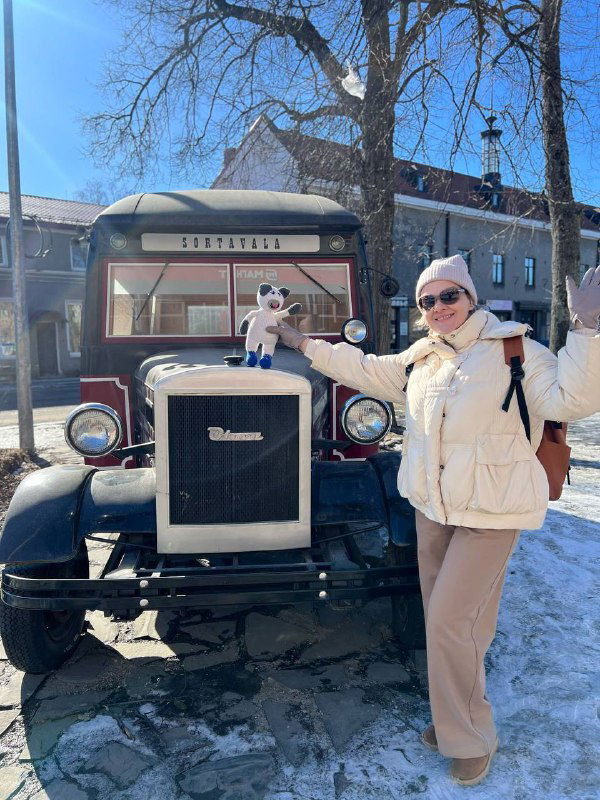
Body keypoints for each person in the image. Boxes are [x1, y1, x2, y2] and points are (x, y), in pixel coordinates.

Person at [267, 254, 600, 787]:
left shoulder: (517, 350)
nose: (440, 307)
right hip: (433, 509)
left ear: (471, 298)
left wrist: (587, 330)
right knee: (453, 624)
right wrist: (302, 345)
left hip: (491, 512)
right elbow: (365, 369)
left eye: (450, 296)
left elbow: (574, 398)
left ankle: (469, 736)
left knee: (450, 623)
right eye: (428, 300)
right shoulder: (423, 358)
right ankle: (453, 717)